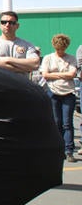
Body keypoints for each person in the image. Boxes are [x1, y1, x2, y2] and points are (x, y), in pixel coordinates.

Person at [40, 34, 78, 163]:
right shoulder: (48, 58)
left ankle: (69, 151)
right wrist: (63, 75)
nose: (60, 51)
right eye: (58, 49)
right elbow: (45, 74)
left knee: (67, 123)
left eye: (62, 49)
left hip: (68, 93)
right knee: (56, 122)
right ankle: (58, 149)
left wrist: (53, 74)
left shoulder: (71, 58)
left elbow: (72, 74)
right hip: (53, 92)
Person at [0, 11, 40, 77]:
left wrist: (7, 59)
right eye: (3, 22)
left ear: (17, 26)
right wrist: (22, 69)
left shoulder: (27, 45)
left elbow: (35, 64)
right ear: (0, 25)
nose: (7, 25)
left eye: (11, 23)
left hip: (21, 85)